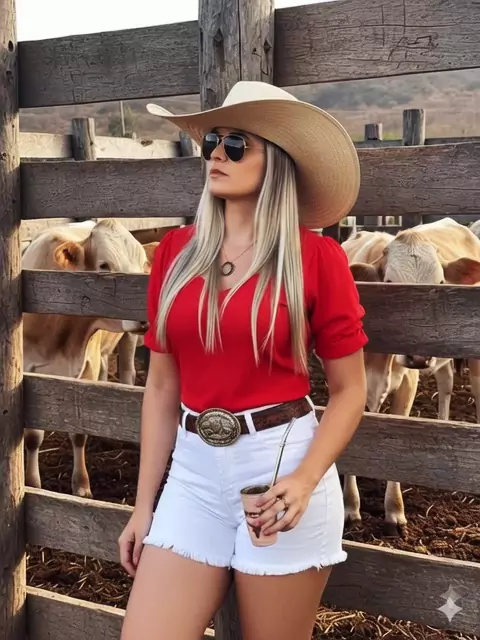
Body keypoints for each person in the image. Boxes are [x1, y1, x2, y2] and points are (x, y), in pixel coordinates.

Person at [118, 81, 368, 640]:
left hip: (280, 471)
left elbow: (350, 391)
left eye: (236, 145)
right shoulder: (176, 254)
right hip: (192, 476)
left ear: (276, 161)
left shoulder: (316, 258)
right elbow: (161, 388)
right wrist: (143, 505)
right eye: (212, 142)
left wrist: (304, 480)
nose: (216, 154)